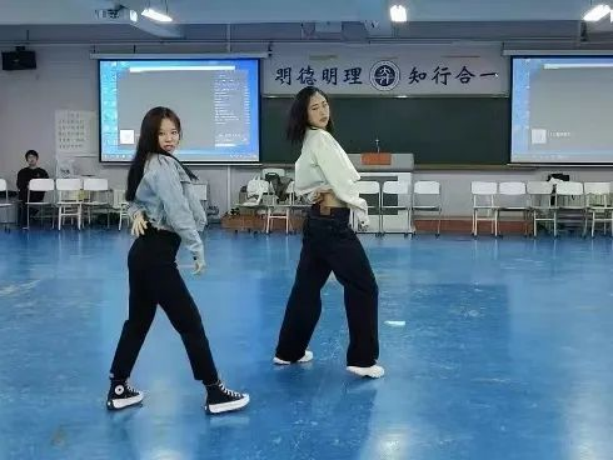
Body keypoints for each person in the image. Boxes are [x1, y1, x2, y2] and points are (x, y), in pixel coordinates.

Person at [106, 106, 249, 414]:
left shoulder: (148, 161)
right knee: (190, 322)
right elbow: (177, 209)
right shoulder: (162, 165)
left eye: (173, 132)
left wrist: (136, 213)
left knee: (138, 323)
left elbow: (134, 200)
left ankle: (118, 388)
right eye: (162, 133)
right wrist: (196, 247)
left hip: (143, 254)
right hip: (156, 256)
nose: (169, 138)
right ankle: (215, 392)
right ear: (150, 135)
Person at [273, 86, 384, 379]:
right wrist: (360, 207)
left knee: (306, 289)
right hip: (332, 226)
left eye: (324, 104)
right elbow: (341, 183)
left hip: (317, 223)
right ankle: (362, 360)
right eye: (315, 108)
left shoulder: (311, 140)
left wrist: (315, 192)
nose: (323, 111)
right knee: (363, 286)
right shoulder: (320, 139)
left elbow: (305, 183)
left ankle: (288, 351)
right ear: (304, 114)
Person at [16, 150, 49, 226]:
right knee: (24, 199)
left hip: (38, 196)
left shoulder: (42, 172)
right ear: (27, 160)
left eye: (33, 157)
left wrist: (36, 186)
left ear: (37, 159)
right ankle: (25, 223)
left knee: (30, 202)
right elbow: (19, 185)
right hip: (25, 196)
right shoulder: (22, 172)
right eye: (29, 157)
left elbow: (47, 185)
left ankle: (31, 216)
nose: (31, 159)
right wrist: (28, 186)